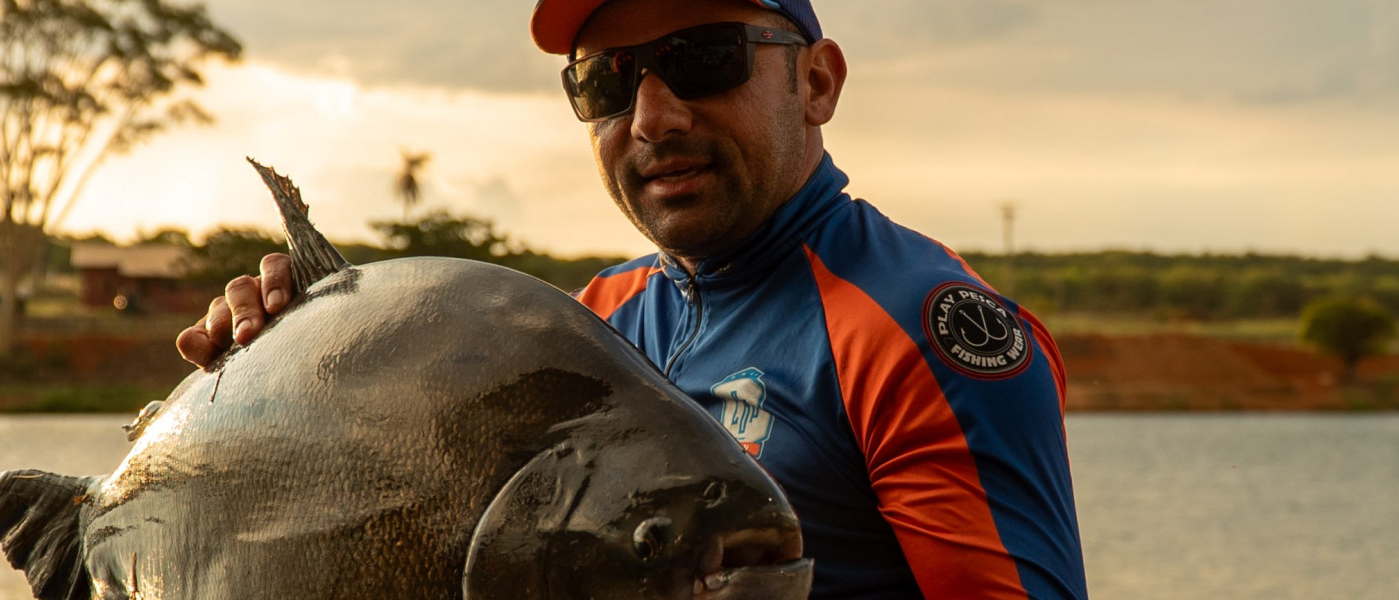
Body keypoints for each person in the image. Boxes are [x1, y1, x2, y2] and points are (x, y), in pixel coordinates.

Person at [176, 0, 1088, 598]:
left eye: (702, 58)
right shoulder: (588, 320)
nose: (653, 117)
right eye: (608, 79)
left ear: (817, 82)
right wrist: (275, 379)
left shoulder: (912, 330)